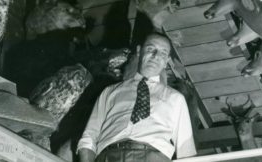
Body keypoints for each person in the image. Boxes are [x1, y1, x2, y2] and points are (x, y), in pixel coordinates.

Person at [78, 33, 196, 161]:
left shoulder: (175, 98)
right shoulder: (110, 92)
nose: (155, 56)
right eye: (151, 49)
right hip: (109, 156)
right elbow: (89, 137)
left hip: (153, 157)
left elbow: (186, 150)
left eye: (162, 53)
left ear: (166, 61)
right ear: (139, 51)